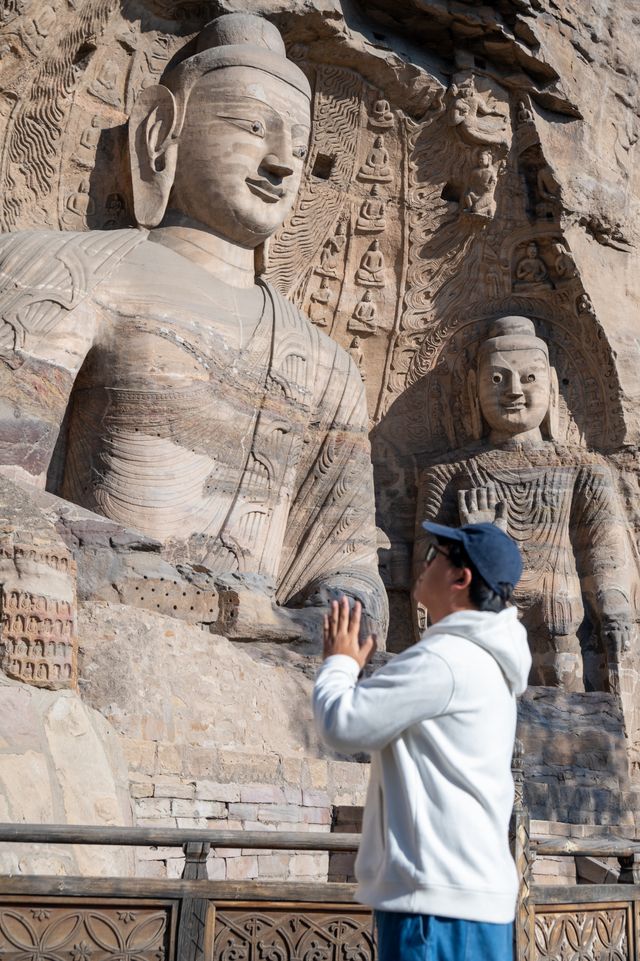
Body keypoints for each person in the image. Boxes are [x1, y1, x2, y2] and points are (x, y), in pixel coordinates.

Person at [313, 521, 531, 961]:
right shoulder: (483, 660)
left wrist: (339, 664)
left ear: (460, 577)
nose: (423, 563)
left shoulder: (445, 659)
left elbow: (343, 724)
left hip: (437, 903)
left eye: (434, 555)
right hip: (463, 897)